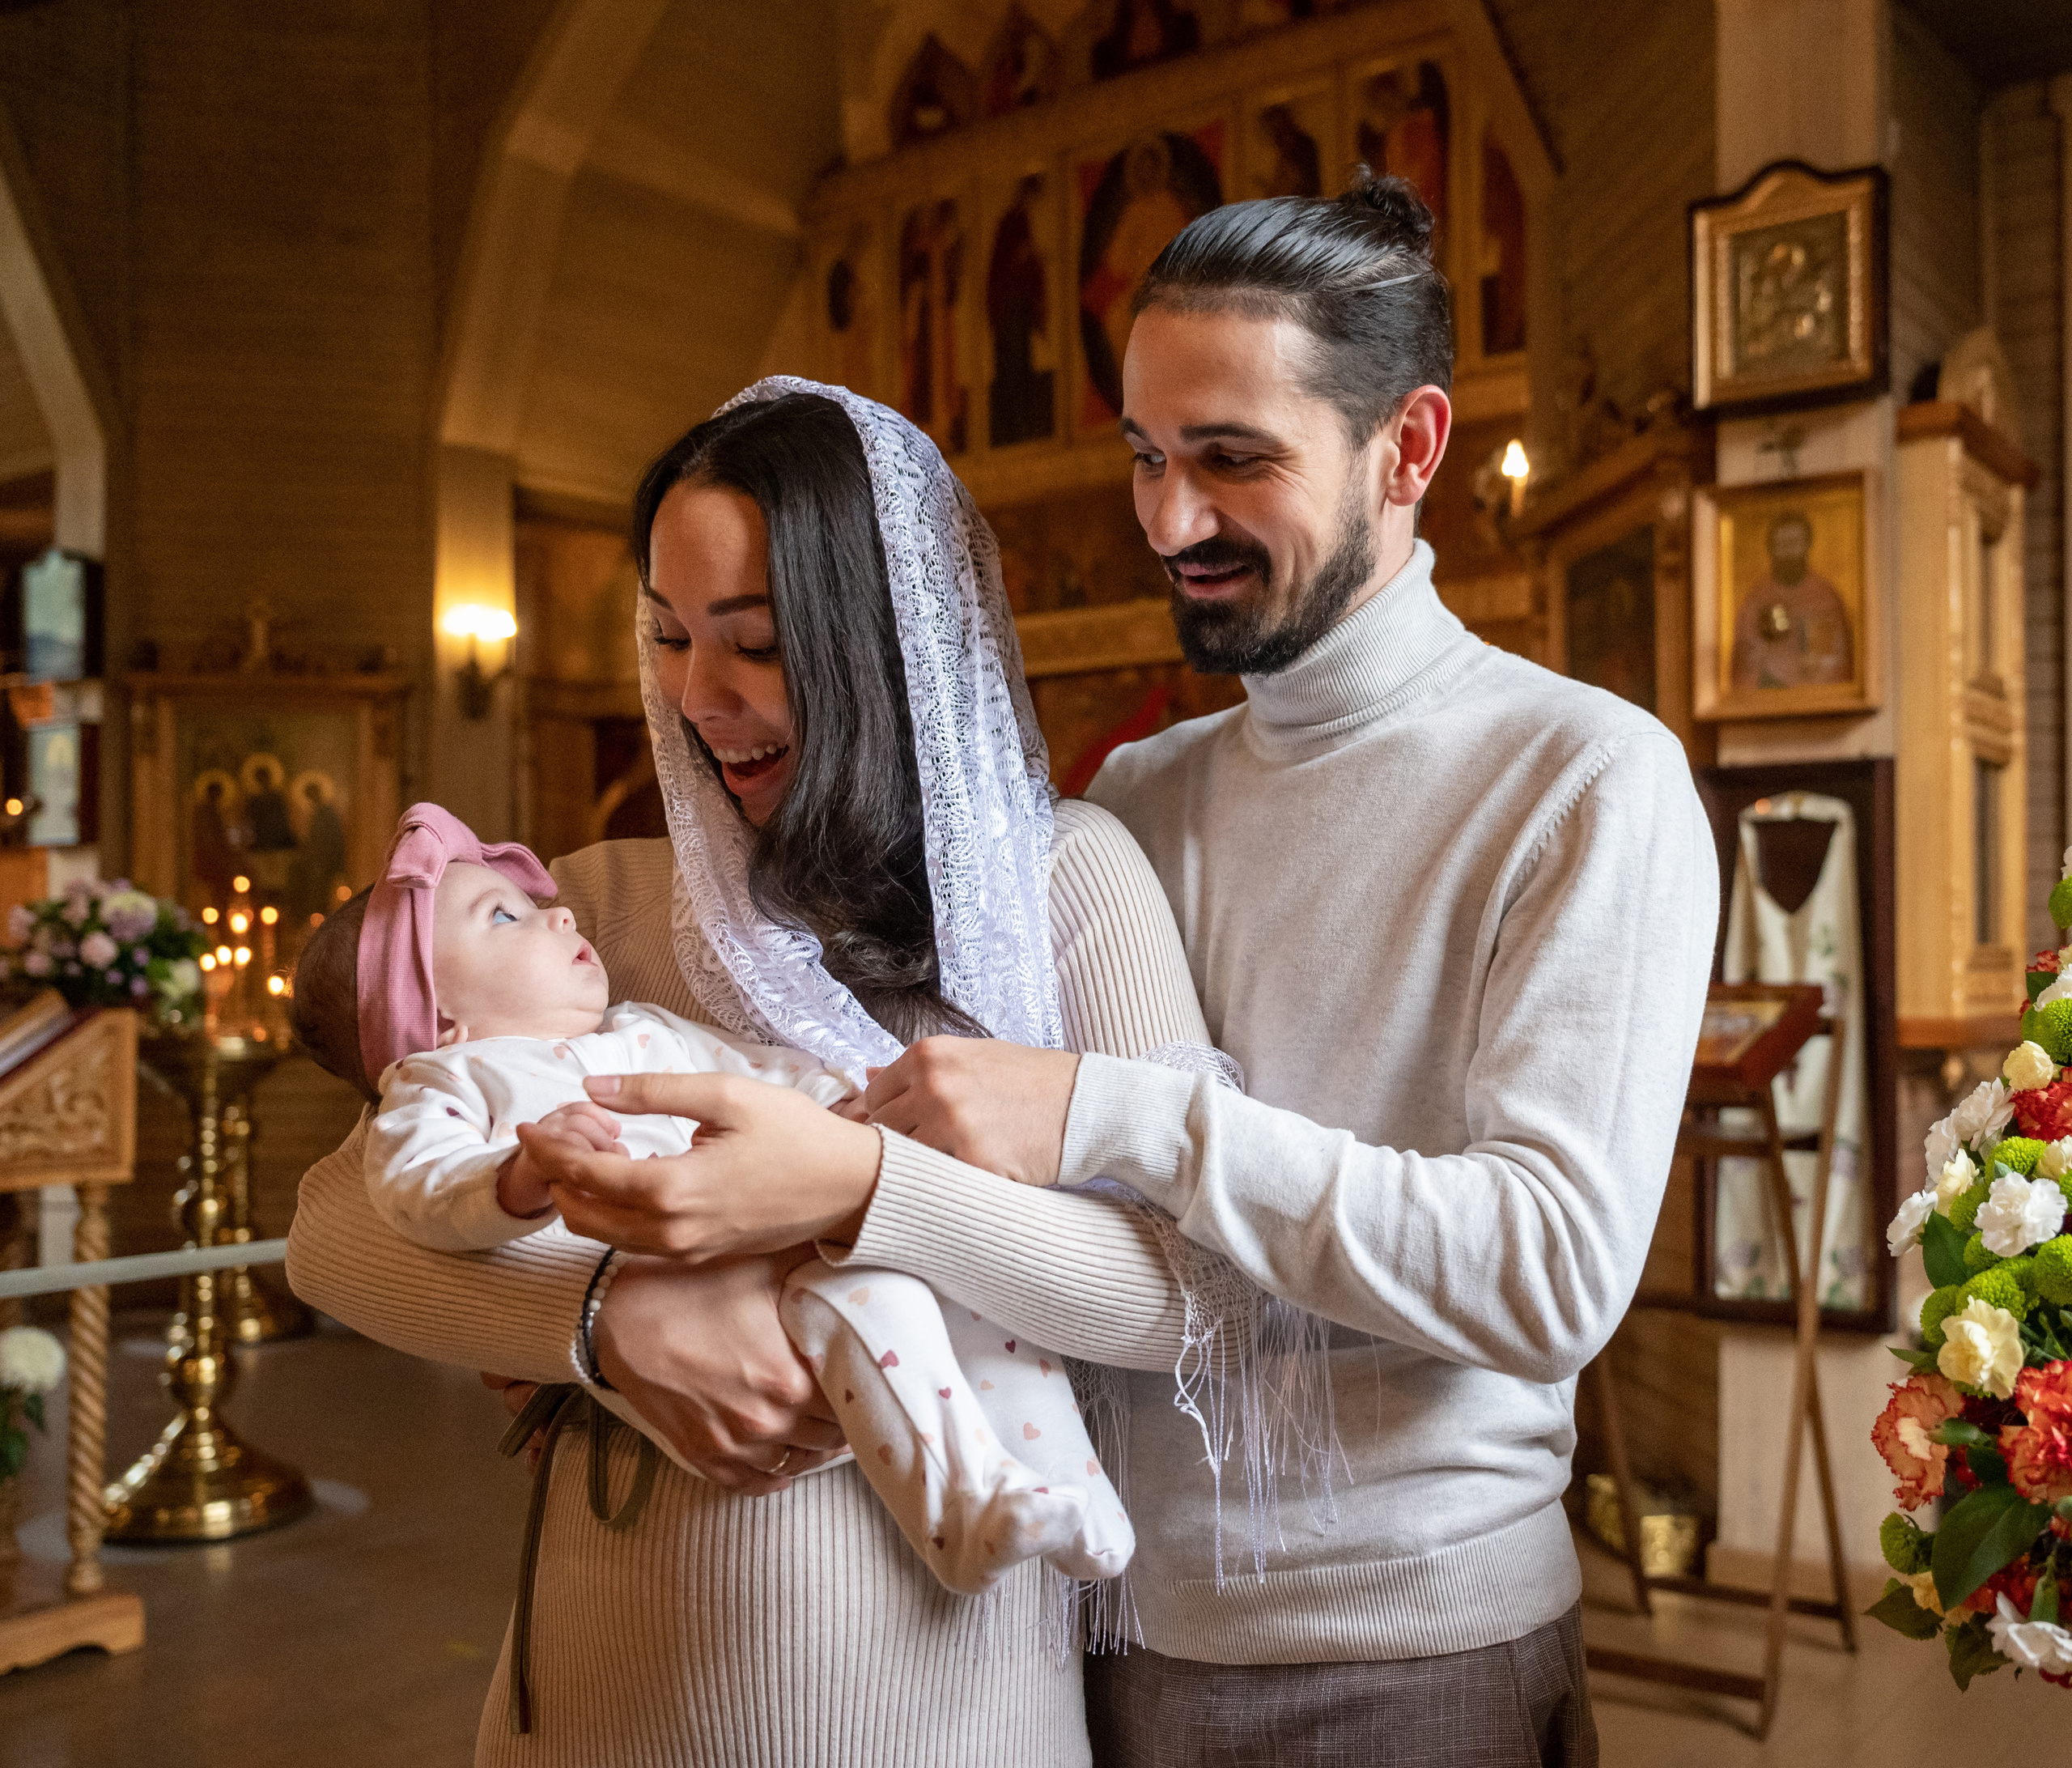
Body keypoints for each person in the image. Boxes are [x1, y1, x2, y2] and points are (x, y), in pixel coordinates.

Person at [535, 176, 1720, 1766]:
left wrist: (1105, 1114)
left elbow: (1549, 1274)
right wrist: (593, 1306)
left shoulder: (1579, 776)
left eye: (1230, 459)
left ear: (1407, 449)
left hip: (1399, 1636)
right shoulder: (1138, 800)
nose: (1166, 521)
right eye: (1146, 458)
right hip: (1098, 1628)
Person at [286, 382, 1238, 1768]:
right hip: (618, 1691)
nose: (694, 694)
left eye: (756, 644)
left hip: (949, 1705)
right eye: (668, 634)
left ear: (888, 644)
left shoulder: (1066, 883)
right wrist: (608, 1314)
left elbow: (1184, 1290)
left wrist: (863, 1185)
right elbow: (332, 1223)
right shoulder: (602, 911)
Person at [292, 801, 1130, 1600]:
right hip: (705, 1307)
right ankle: (962, 1511)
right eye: (504, 918)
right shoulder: (445, 1081)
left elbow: (750, 1072)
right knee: (873, 1301)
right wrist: (518, 1189)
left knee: (969, 1304)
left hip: (779, 1239)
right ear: (439, 1023)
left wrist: (844, 1102)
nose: (560, 914)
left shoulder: (635, 1028)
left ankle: (1067, 1487)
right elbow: (404, 1188)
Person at [1730, 509, 1853, 690]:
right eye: (1781, 544)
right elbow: (1745, 664)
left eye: (1794, 542)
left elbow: (1831, 666)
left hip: (1812, 699)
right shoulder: (1757, 599)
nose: (1788, 551)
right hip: (1767, 699)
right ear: (1770, 549)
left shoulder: (1822, 597)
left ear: (1807, 544)